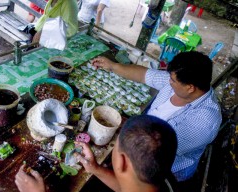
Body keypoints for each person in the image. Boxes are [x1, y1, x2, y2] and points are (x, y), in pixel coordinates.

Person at [91, 51, 222, 182]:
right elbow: (143, 75)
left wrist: (129, 129)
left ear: (190, 88)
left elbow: (157, 150)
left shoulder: (205, 122)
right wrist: (113, 66)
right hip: (144, 134)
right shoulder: (179, 82)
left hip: (164, 169)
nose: (169, 80)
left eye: (173, 80)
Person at [15, 115, 178, 192]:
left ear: (121, 162)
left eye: (116, 147)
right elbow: (130, 188)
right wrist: (96, 169)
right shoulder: (158, 188)